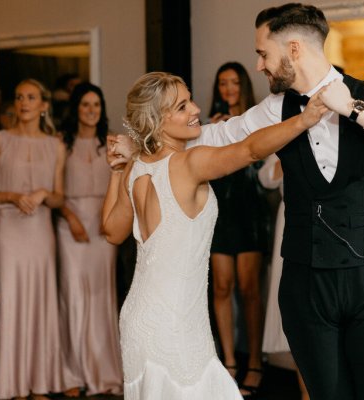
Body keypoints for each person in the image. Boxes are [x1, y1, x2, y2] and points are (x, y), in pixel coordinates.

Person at [192, 3, 364, 399]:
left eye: (263, 53)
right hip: (305, 287)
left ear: (293, 49)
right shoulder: (277, 109)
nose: (259, 66)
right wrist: (149, 140)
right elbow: (221, 137)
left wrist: (353, 109)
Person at [101, 71, 329, 399]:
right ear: (157, 120)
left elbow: (112, 231)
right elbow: (250, 150)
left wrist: (116, 171)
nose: (195, 109)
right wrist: (303, 121)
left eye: (190, 99)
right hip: (175, 327)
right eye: (182, 107)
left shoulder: (135, 168)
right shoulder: (189, 163)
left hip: (139, 320)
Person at [0, 78, 66, 399]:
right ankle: (12, 383)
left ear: (44, 105)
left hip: (40, 230)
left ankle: (40, 383)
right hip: (9, 229)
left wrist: (44, 194)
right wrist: (14, 196)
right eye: (19, 97)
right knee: (11, 300)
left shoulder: (56, 145)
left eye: (31, 97)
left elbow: (59, 198)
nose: (24, 102)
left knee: (41, 301)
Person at [57, 82, 123, 396]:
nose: (91, 110)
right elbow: (54, 190)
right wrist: (70, 218)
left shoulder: (111, 143)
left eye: (96, 104)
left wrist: (108, 219)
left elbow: (123, 185)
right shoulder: (60, 144)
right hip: (69, 224)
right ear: (76, 108)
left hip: (102, 223)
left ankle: (105, 373)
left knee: (101, 296)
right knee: (72, 296)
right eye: (85, 104)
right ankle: (72, 374)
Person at [207, 62, 268, 396]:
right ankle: (229, 362)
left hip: (250, 211)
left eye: (233, 82)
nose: (228, 89)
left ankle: (255, 360)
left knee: (249, 290)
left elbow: (264, 166)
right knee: (220, 287)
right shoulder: (209, 125)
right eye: (222, 83)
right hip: (219, 212)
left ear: (243, 85)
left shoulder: (258, 119)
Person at [258, 154, 309, 400]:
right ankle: (305, 393)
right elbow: (266, 178)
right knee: (301, 316)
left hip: (331, 221)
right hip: (292, 224)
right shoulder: (285, 131)